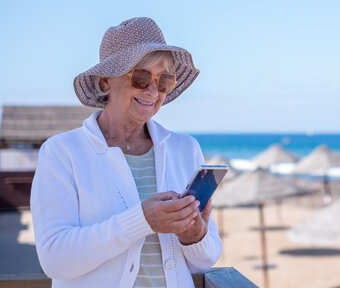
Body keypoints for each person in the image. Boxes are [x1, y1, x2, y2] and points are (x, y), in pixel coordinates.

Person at [31, 17, 222, 288]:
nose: (153, 91)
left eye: (164, 81)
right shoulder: (62, 153)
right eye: (141, 77)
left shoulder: (185, 149)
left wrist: (194, 236)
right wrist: (142, 220)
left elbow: (206, 261)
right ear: (105, 82)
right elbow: (54, 260)